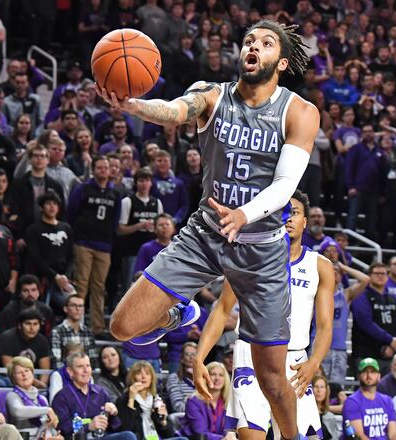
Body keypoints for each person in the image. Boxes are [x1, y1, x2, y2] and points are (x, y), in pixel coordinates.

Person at [99, 20, 319, 439]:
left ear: (281, 62)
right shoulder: (213, 95)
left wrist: (244, 215)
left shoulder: (300, 112)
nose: (254, 46)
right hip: (205, 235)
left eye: (266, 43)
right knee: (122, 327)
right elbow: (175, 110)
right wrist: (135, 106)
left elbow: (285, 186)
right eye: (249, 40)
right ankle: (179, 312)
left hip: (262, 250)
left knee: (272, 379)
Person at [194, 190, 335, 440]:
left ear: (305, 221)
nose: (288, 218)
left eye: (294, 213)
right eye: (282, 212)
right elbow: (222, 309)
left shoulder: (320, 266)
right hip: (252, 354)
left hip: (294, 360)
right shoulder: (249, 258)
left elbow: (325, 326)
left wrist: (314, 363)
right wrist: (199, 358)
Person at [66, 155, 121, 336]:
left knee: (99, 287)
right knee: (81, 284)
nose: (103, 171)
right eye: (99, 167)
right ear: (93, 170)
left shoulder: (115, 193)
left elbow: (115, 221)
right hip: (83, 242)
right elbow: (71, 213)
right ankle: (76, 324)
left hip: (104, 245)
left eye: (106, 167)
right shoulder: (83, 189)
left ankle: (97, 327)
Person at [50, 351, 131, 440]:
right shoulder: (61, 397)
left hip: (101, 437)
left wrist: (113, 413)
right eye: (80, 367)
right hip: (76, 438)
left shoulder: (100, 392)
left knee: (127, 436)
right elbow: (62, 428)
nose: (86, 371)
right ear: (70, 372)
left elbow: (116, 426)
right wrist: (88, 426)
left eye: (88, 366)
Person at [352, 262, 396, 373]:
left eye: (383, 274)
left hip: (389, 355)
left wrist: (394, 344)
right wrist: (390, 340)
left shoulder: (393, 299)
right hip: (366, 354)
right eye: (377, 273)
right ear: (369, 275)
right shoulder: (362, 296)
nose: (380, 276)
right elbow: (365, 323)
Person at [24, 190, 75, 310]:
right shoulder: (33, 230)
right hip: (42, 277)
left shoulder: (66, 228)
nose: (52, 207)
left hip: (63, 278)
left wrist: (65, 276)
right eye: (48, 203)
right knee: (39, 310)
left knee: (75, 304)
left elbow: (72, 256)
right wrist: (55, 276)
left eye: (55, 204)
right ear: (41, 207)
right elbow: (35, 257)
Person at [324, 257, 370, 384]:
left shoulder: (345, 294)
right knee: (316, 386)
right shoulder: (315, 293)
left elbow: (365, 279)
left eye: (337, 271)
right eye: (331, 270)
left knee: (338, 387)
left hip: (339, 348)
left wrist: (342, 267)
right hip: (318, 347)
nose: (334, 273)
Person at [115, 361, 181, 440]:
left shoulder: (157, 399)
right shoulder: (123, 400)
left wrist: (163, 421)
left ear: (152, 378)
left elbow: (170, 434)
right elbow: (127, 431)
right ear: (133, 378)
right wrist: (131, 399)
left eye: (147, 373)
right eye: (139, 374)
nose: (143, 377)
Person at [343, 357, 396, 440]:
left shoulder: (387, 400)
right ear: (359, 376)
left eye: (373, 372)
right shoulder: (352, 402)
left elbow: (394, 434)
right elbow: (359, 436)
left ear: (379, 376)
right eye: (365, 372)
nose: (369, 375)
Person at [5, 356, 61, 439]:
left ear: (32, 373)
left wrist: (56, 436)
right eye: (19, 372)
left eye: (27, 371)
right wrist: (47, 410)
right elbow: (17, 411)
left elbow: (48, 425)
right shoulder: (12, 395)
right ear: (13, 378)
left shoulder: (42, 399)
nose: (24, 374)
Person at [0, 309, 51, 385]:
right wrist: (35, 383)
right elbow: (10, 369)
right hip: (7, 376)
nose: (32, 328)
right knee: (1, 383)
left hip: (32, 376)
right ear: (19, 326)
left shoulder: (42, 340)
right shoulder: (6, 337)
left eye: (35, 324)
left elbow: (45, 370)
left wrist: (42, 386)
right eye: (28, 324)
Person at [183, 361, 232, 440]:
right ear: (205, 378)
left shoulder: (228, 403)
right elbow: (200, 432)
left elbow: (231, 430)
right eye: (213, 374)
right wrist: (223, 439)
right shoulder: (193, 402)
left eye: (221, 375)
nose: (217, 378)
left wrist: (231, 434)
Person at [50, 295, 98, 370]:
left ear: (83, 310)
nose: (78, 309)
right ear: (65, 309)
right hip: (64, 374)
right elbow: (56, 361)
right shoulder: (57, 331)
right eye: (73, 305)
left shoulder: (87, 332)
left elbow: (93, 359)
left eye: (80, 306)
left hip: (85, 374)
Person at [313, 375, 341, 440]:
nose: (319, 390)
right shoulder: (304, 413)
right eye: (316, 387)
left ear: (326, 391)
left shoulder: (329, 416)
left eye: (322, 387)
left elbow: (335, 438)